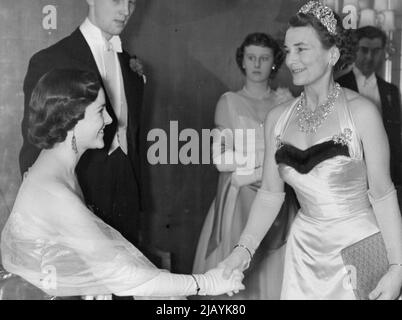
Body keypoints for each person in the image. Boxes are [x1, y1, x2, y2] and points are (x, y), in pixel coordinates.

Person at [1, 69, 244, 299]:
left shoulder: (53, 165)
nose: (109, 120)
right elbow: (130, 279)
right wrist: (207, 283)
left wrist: (97, 281)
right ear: (71, 119)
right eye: (100, 111)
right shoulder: (54, 191)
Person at [220, 1, 402, 299]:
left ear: (331, 54)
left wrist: (397, 267)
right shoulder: (278, 119)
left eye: (301, 49)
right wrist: (243, 250)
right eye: (288, 50)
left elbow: (382, 194)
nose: (291, 60)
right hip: (303, 252)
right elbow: (269, 193)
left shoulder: (362, 113)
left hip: (358, 248)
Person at [20, 0, 144, 246]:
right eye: (117, 0)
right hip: (75, 197)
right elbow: (34, 145)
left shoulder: (130, 66)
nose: (126, 10)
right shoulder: (50, 60)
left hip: (126, 196)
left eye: (132, 1)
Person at [192, 33, 296, 299]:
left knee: (276, 269)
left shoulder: (286, 102)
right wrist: (260, 165)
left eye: (264, 58)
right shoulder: (229, 102)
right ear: (243, 61)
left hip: (278, 197)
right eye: (251, 57)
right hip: (240, 197)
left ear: (275, 62)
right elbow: (220, 159)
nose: (257, 64)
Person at [336, 26, 402, 200]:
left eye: (376, 51)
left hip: (385, 174)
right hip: (349, 176)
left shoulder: (391, 91)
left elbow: (395, 137)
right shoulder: (338, 87)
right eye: (364, 50)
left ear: (383, 52)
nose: (369, 57)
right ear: (354, 51)